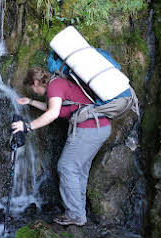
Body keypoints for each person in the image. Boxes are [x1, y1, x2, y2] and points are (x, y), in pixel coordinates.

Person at [11, 67, 111, 226]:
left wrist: (27, 126)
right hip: (100, 127)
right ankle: (79, 212)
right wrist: (30, 101)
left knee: (66, 166)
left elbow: (52, 114)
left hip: (90, 128)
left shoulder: (54, 85)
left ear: (36, 82)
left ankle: (75, 214)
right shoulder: (58, 85)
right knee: (79, 171)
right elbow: (54, 108)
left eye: (32, 89)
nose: (34, 92)